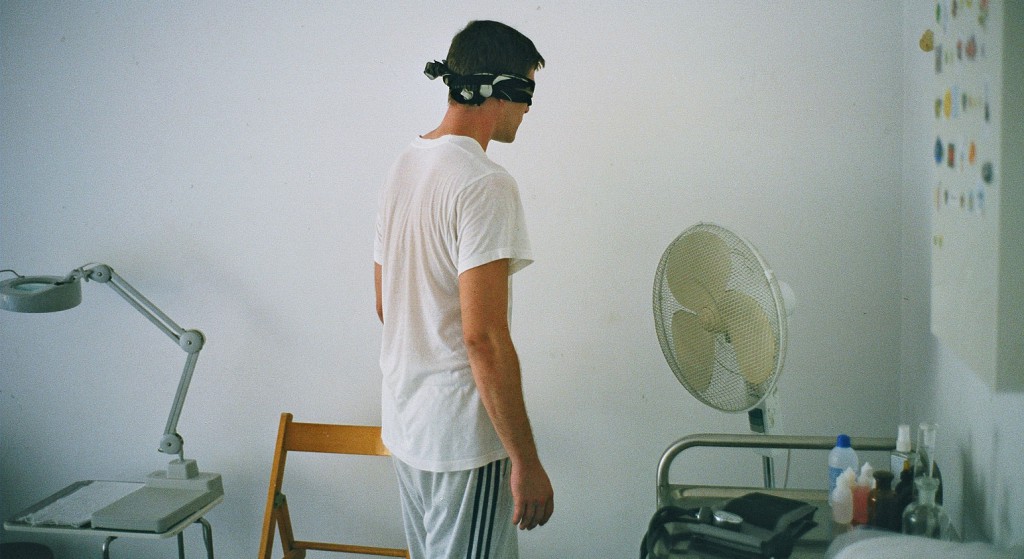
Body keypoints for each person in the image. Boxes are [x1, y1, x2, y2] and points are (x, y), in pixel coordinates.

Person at [374, 19, 553, 559]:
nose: (528, 110)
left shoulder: (404, 164)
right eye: (527, 93)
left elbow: (386, 304)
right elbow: (484, 338)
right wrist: (525, 461)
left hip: (407, 427)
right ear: (501, 90)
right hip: (461, 442)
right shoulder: (485, 182)